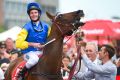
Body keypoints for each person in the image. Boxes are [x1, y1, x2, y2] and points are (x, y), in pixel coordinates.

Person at [15, 2, 51, 79]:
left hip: (43, 52)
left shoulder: (46, 26)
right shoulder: (26, 27)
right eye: (31, 13)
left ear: (39, 14)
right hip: (29, 53)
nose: (34, 14)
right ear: (29, 15)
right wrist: (33, 44)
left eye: (35, 12)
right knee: (34, 59)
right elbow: (18, 43)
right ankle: (21, 74)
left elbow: (50, 40)